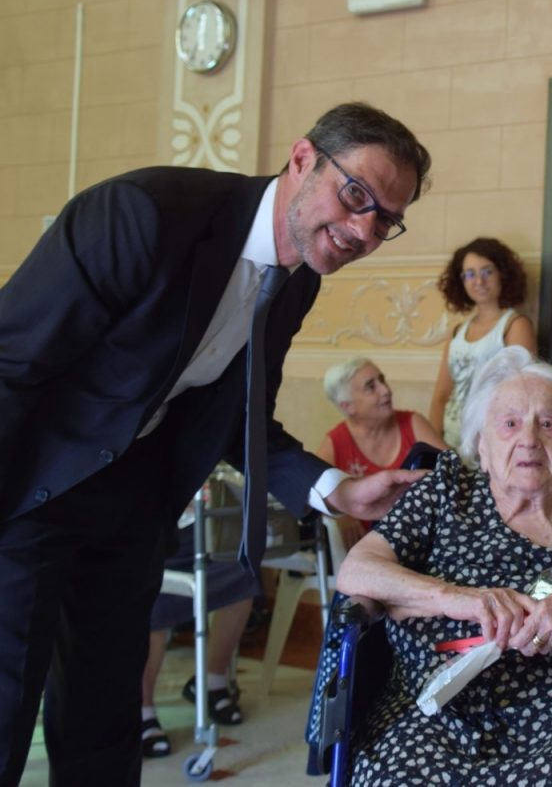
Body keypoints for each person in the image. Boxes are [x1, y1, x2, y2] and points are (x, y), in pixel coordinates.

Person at [0, 102, 431, 785]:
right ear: (301, 160)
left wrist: (335, 489)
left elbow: (237, 415)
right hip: (31, 488)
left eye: (386, 220)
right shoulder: (142, 215)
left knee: (103, 721)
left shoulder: (295, 285)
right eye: (356, 196)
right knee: (5, 702)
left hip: (131, 508)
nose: (363, 230)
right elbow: (12, 363)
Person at [336, 346, 552, 784]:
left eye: (547, 424)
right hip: (433, 713)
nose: (529, 439)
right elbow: (357, 568)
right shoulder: (445, 494)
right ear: (481, 446)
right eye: (509, 424)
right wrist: (457, 598)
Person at [140, 524, 258, 758]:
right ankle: (141, 709)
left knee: (243, 573)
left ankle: (210, 682)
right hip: (152, 532)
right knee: (149, 605)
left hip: (203, 528)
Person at [319, 357, 447, 543]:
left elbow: (454, 469)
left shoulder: (413, 423)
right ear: (348, 406)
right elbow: (314, 492)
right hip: (367, 547)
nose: (386, 390)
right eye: (371, 386)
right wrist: (343, 515)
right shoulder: (336, 442)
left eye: (382, 380)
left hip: (423, 538)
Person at [429, 237, 537, 448]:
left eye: (487, 271)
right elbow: (440, 396)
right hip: (450, 441)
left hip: (493, 442)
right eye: (469, 274)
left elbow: (523, 394)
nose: (478, 281)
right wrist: (433, 447)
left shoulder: (515, 325)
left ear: (502, 275)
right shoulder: (457, 332)